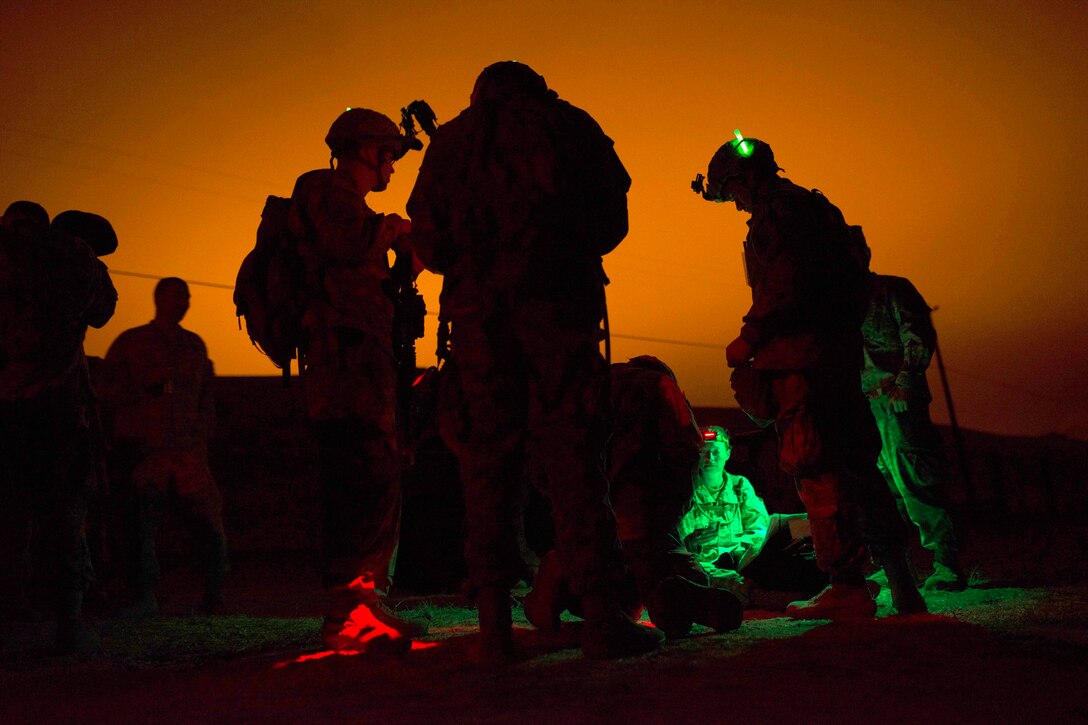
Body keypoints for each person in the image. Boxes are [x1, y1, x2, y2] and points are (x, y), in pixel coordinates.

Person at [407, 61, 663, 661]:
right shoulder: (568, 125)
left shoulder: (451, 143)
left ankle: (493, 625)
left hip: (478, 327)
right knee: (574, 456)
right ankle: (601, 615)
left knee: (486, 463)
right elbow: (611, 221)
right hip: (557, 318)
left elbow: (432, 243)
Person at [694, 135, 926, 619]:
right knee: (861, 467)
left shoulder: (776, 214)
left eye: (732, 191)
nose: (735, 203)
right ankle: (902, 582)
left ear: (746, 178)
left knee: (815, 467)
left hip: (801, 363)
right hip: (839, 358)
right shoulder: (818, 210)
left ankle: (846, 584)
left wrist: (751, 336)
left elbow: (784, 280)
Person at [290, 107, 426, 653]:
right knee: (359, 471)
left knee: (378, 469)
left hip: (365, 355)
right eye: (389, 155)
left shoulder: (350, 206)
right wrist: (394, 229)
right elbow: (347, 245)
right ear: (367, 151)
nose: (392, 168)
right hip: (342, 361)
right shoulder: (323, 190)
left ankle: (365, 601)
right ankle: (347, 613)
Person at [525, 357, 745, 640]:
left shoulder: (583, 389)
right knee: (685, 581)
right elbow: (687, 453)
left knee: (608, 595)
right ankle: (661, 597)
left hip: (587, 532)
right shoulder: (660, 385)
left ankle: (555, 581)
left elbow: (545, 463)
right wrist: (668, 519)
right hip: (644, 525)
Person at [0, 200, 116, 653]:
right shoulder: (72, 256)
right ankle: (70, 620)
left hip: (6, 408)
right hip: (58, 409)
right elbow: (103, 310)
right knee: (64, 513)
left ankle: (13, 607)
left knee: (9, 514)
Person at [100, 277, 228, 617]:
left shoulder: (193, 346)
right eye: (177, 296)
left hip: (187, 450)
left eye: (186, 297)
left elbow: (207, 397)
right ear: (160, 299)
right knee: (140, 525)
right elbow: (108, 391)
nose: (183, 303)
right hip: (148, 450)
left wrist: (202, 437)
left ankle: (215, 593)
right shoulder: (133, 343)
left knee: (208, 523)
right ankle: (143, 595)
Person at [854, 227, 966, 591]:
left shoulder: (892, 289)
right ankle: (896, 567)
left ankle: (946, 561)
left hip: (897, 401)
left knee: (917, 479)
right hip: (867, 406)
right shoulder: (842, 305)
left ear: (865, 253)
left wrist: (906, 380)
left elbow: (916, 334)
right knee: (882, 487)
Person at [679, 426, 827, 608]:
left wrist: (743, 550)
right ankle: (767, 599)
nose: (710, 458)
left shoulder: (739, 486)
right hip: (706, 562)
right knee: (712, 580)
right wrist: (692, 542)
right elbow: (675, 541)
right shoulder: (687, 491)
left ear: (727, 453)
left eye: (716, 452)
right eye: (704, 452)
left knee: (787, 562)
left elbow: (759, 526)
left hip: (744, 558)